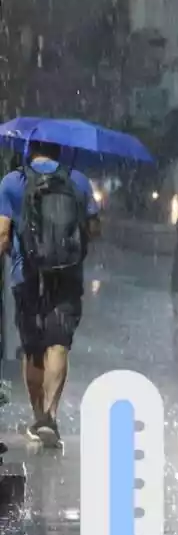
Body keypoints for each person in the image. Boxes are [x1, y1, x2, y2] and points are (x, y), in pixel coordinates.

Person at [0, 141, 98, 447]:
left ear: (29, 150)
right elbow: (94, 229)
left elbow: (3, 234)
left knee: (33, 346)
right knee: (58, 343)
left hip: (25, 273)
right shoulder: (78, 181)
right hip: (67, 273)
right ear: (61, 151)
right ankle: (51, 418)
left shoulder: (13, 181)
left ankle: (38, 415)